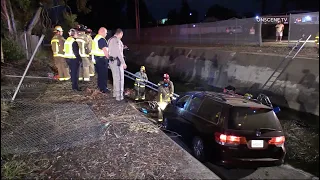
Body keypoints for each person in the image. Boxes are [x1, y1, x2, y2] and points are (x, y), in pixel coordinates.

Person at [108, 28, 127, 101]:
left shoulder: (110, 39)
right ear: (120, 34)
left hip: (112, 61)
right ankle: (119, 97)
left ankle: (115, 94)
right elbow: (119, 53)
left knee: (115, 78)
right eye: (122, 35)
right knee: (119, 79)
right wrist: (123, 63)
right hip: (117, 63)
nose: (122, 37)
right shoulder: (117, 40)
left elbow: (111, 50)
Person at [91, 27, 110, 93]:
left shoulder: (96, 38)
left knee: (100, 75)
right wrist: (109, 58)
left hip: (97, 59)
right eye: (106, 33)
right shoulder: (101, 39)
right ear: (102, 32)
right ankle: (104, 89)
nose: (106, 34)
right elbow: (105, 50)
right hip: (102, 59)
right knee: (103, 75)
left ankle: (100, 87)